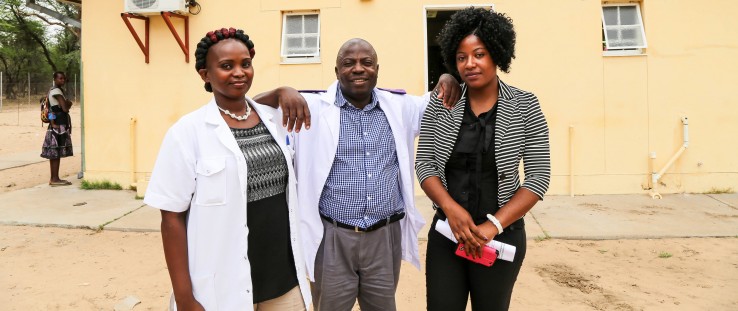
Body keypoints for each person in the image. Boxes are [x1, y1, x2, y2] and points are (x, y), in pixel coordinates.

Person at [255, 38, 461, 311]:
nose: (358, 69)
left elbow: (441, 101)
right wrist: (279, 91)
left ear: (377, 68)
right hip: (333, 238)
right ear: (337, 71)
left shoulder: (399, 106)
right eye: (348, 63)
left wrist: (448, 76)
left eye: (366, 62)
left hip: (384, 237)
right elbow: (250, 110)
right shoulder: (311, 108)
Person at [143, 27, 311, 311]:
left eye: (245, 64)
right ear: (205, 75)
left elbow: (264, 100)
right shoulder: (187, 132)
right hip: (222, 287)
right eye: (226, 66)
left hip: (283, 279)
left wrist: (283, 89)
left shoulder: (273, 118)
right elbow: (171, 219)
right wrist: (184, 298)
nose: (239, 72)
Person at [415, 8, 551, 311]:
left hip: (501, 238)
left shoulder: (525, 106)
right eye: (461, 57)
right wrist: (450, 210)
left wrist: (493, 226)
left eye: (479, 54)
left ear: (497, 55)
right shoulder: (442, 104)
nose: (470, 64)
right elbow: (424, 164)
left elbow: (539, 177)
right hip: (448, 235)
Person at [40, 71, 74, 186]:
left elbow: (51, 109)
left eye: (64, 79)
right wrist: (68, 103)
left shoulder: (51, 90)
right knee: (55, 153)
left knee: (56, 152)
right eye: (60, 79)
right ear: (54, 79)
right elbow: (65, 108)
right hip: (58, 126)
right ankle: (54, 179)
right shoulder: (57, 91)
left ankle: (54, 178)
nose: (62, 81)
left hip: (55, 125)